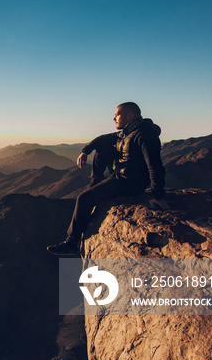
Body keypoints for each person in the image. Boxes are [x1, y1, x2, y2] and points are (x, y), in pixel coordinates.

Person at [47, 102, 169, 256]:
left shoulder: (143, 135)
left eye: (116, 115)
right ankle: (96, 184)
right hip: (121, 175)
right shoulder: (128, 131)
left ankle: (71, 243)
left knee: (83, 199)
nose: (114, 118)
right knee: (102, 148)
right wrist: (85, 151)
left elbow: (155, 165)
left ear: (129, 116)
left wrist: (156, 194)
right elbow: (102, 139)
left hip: (130, 182)